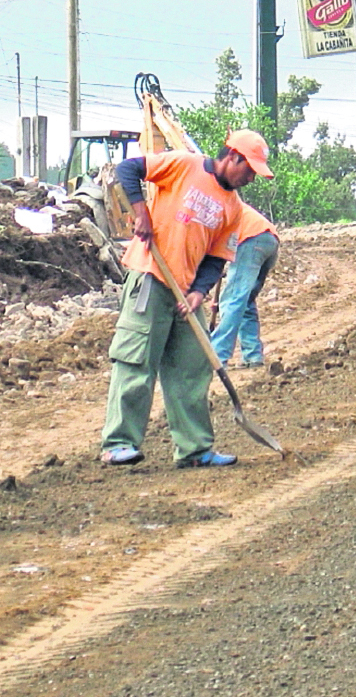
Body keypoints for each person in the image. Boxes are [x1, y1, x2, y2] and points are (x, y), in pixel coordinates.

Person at [100, 129, 274, 469]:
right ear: (233, 156)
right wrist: (141, 213)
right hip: (151, 276)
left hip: (184, 290)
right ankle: (118, 443)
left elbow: (216, 257)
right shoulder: (184, 165)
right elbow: (128, 170)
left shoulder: (234, 209)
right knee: (136, 361)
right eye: (249, 169)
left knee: (192, 367)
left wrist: (199, 292)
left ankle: (194, 450)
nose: (251, 178)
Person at [210, 202, 279, 369]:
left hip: (251, 239)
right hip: (270, 240)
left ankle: (216, 357)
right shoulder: (224, 201)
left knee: (232, 301)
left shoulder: (211, 206)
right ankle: (252, 355)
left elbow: (212, 257)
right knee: (245, 301)